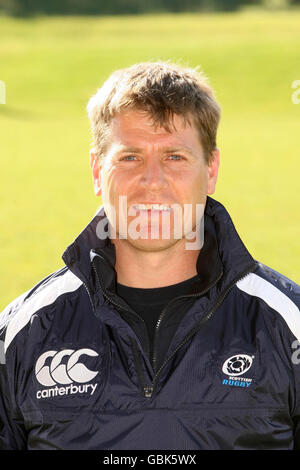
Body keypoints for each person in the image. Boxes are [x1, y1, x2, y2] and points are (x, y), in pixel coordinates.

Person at [0, 61, 299, 451]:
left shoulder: (287, 324)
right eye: (130, 157)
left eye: (175, 157)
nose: (153, 182)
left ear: (211, 169)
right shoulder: (23, 335)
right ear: (96, 170)